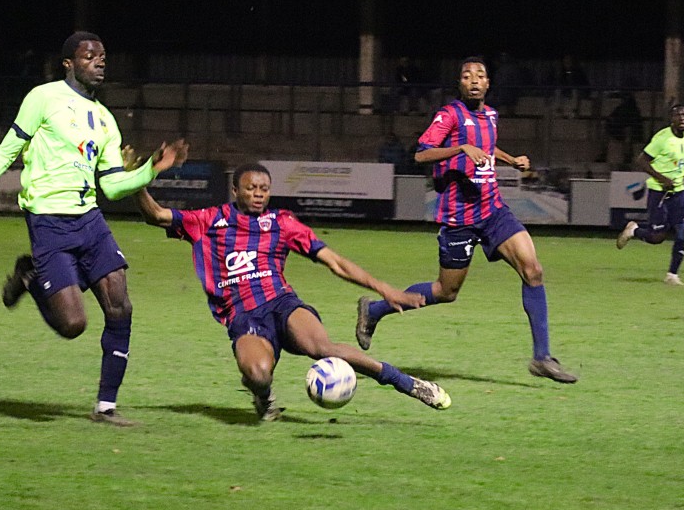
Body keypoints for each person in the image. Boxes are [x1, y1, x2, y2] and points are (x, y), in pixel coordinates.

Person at [0, 31, 188, 426]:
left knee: (120, 304)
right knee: (72, 325)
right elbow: (5, 151)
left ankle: (105, 407)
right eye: (89, 56)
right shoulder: (43, 98)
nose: (99, 61)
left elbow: (112, 186)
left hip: (90, 222)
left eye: (102, 56)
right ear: (68, 63)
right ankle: (29, 276)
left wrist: (151, 169)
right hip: (49, 222)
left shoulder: (105, 121)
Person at [134, 163, 451, 421]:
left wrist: (385, 288)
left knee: (324, 348)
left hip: (282, 303)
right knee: (257, 374)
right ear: (235, 190)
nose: (258, 195)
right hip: (244, 316)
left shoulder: (281, 223)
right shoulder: (209, 221)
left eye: (264, 189)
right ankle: (263, 397)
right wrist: (138, 181)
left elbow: (335, 262)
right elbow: (157, 215)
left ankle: (409, 384)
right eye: (251, 188)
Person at [356, 56, 578, 384]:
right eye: (466, 75)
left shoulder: (490, 115)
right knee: (446, 291)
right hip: (459, 218)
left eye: (480, 75)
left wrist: (510, 159)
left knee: (533, 269)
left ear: (488, 83)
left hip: (492, 211)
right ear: (460, 83)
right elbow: (420, 153)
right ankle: (374, 311)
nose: (474, 80)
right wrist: (460, 148)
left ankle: (542, 357)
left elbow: (486, 148)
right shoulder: (449, 115)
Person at [615, 105, 684, 286]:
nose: (683, 118)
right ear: (672, 118)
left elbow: (683, 166)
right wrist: (662, 178)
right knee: (656, 237)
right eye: (679, 115)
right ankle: (634, 230)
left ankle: (672, 275)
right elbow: (641, 160)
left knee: (683, 230)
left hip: (679, 194)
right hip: (659, 193)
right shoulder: (662, 138)